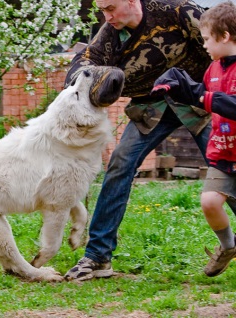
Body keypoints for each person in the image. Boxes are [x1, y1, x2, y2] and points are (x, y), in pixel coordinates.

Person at [63, 0, 213, 281]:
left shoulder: (177, 11)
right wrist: (82, 80)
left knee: (226, 169)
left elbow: (221, 36)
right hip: (152, 107)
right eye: (102, 10)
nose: (106, 17)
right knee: (120, 164)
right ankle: (97, 257)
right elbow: (84, 61)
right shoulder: (110, 34)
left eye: (111, 8)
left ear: (132, 1)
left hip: (198, 100)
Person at [150, 1, 236, 277]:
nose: (205, 45)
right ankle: (229, 247)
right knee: (210, 202)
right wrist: (178, 87)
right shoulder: (214, 69)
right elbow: (202, 93)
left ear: (224, 36)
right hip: (222, 154)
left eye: (208, 39)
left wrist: (201, 96)